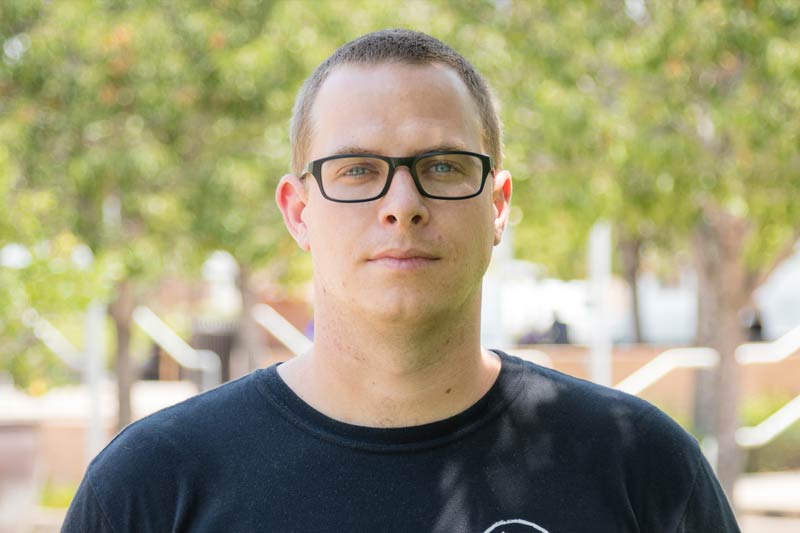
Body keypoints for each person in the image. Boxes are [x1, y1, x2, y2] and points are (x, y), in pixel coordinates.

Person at [63, 29, 739, 532]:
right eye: (357, 169)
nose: (402, 203)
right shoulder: (153, 483)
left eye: (442, 166)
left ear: (497, 205)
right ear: (299, 212)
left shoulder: (640, 464)